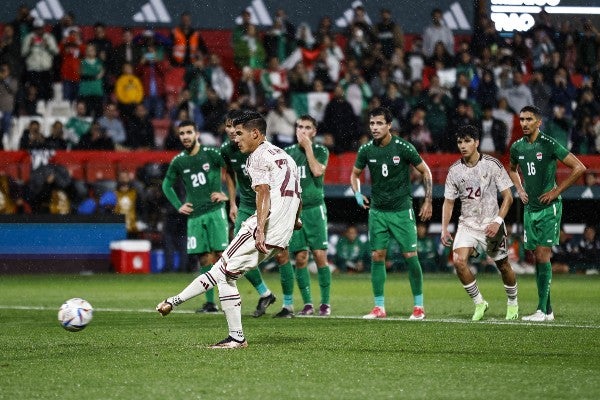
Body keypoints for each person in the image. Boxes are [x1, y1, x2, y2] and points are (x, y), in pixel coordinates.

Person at [156, 110, 302, 349]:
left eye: (239, 133)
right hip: (283, 231)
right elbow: (297, 193)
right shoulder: (285, 156)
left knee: (220, 270)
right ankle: (180, 306)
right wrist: (296, 220)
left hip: (264, 226)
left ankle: (232, 335)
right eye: (233, 134)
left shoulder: (256, 158)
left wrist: (260, 230)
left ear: (255, 133)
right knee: (227, 274)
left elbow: (263, 192)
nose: (235, 139)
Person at [350, 106, 433, 320]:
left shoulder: (403, 147)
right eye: (372, 123)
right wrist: (357, 194)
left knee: (410, 256)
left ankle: (419, 307)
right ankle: (379, 308)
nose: (375, 127)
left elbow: (426, 171)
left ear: (389, 125)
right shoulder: (366, 150)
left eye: (379, 123)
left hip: (401, 211)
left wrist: (428, 200)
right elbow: (355, 174)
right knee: (377, 255)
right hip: (377, 211)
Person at [508, 105, 586, 322]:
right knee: (537, 257)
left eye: (529, 119)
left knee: (543, 255)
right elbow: (512, 169)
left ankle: (541, 310)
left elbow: (579, 167)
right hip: (530, 209)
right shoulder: (517, 147)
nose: (524, 123)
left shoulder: (548, 143)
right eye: (522, 119)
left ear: (538, 122)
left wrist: (556, 191)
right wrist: (520, 189)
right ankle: (548, 310)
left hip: (548, 208)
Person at [440, 125, 519, 321]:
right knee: (459, 262)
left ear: (476, 142)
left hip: (491, 223)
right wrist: (444, 228)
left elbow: (508, 197)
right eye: (460, 142)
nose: (463, 146)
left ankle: (512, 303)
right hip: (467, 224)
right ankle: (479, 303)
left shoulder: (492, 165)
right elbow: (449, 201)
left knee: (503, 265)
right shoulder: (454, 171)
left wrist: (498, 221)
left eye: (467, 141)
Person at [221, 110, 288, 317]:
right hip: (247, 206)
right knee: (238, 253)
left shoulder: (260, 148)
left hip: (270, 205)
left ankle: (288, 305)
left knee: (282, 254)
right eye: (228, 126)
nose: (232, 131)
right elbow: (229, 175)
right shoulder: (227, 150)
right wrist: (232, 202)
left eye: (236, 127)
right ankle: (265, 293)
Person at [161, 120, 229, 314]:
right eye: (182, 133)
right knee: (204, 258)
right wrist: (178, 206)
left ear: (197, 133)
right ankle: (210, 303)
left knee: (221, 256)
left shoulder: (211, 153)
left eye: (189, 132)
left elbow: (234, 170)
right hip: (195, 216)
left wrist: (229, 195)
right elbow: (166, 185)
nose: (185, 136)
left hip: (215, 211)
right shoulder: (179, 161)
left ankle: (229, 298)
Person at [283, 114, 332, 316]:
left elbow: (317, 171)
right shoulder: (286, 153)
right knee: (301, 257)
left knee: (320, 256)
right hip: (295, 211)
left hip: (315, 209)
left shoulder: (321, 150)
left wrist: (308, 147)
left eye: (307, 127)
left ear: (314, 132)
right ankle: (308, 304)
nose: (302, 131)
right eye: (299, 127)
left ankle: (325, 304)